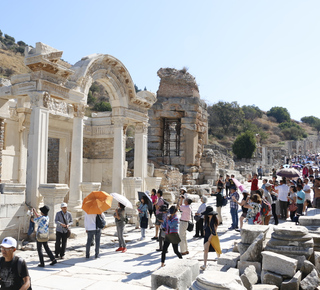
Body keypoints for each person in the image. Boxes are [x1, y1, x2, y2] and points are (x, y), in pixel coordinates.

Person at [200, 206, 221, 270]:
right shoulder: (206, 218)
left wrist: (210, 237)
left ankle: (219, 260)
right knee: (205, 250)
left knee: (217, 249)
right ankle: (204, 265)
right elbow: (205, 226)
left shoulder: (214, 220)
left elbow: (214, 230)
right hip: (206, 235)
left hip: (213, 236)